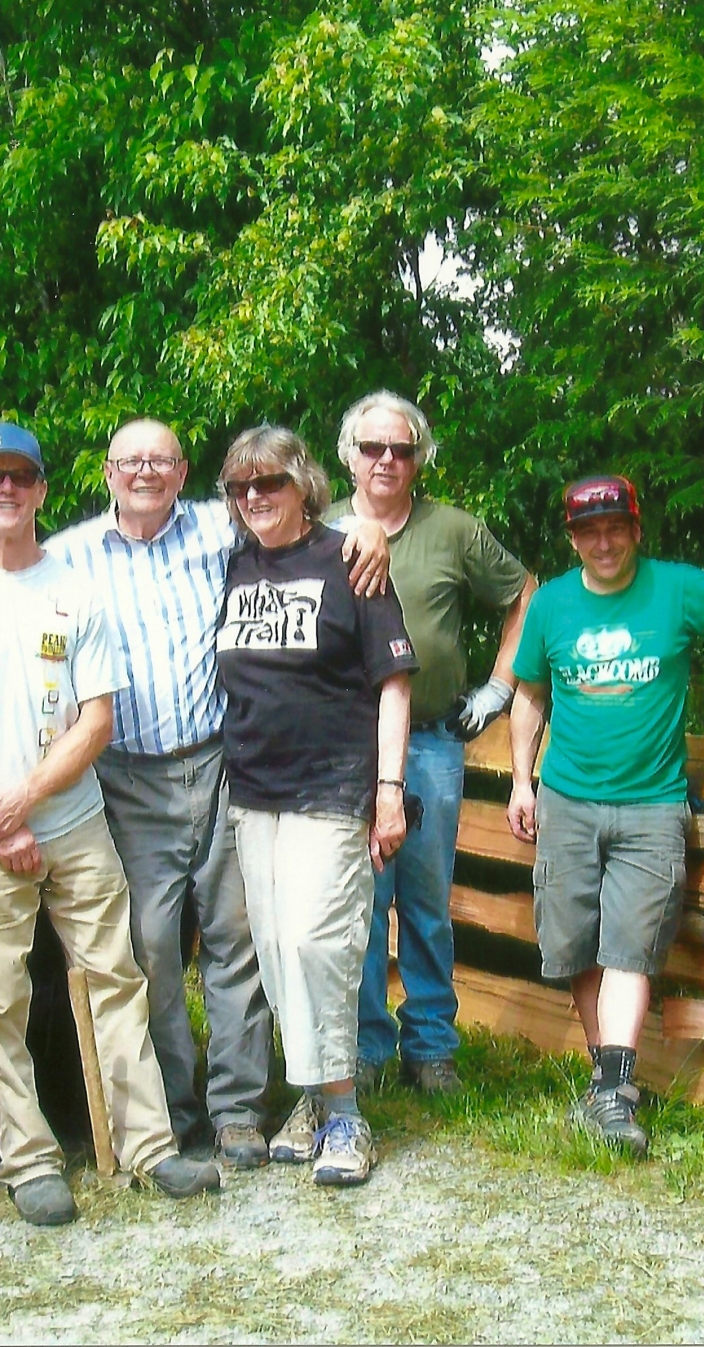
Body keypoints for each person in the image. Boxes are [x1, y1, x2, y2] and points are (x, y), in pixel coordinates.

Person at [0, 422, 220, 1226]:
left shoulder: (74, 589)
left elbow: (96, 718)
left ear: (41, 490)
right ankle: (30, 1160)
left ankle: (148, 1147)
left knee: (119, 975)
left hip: (75, 823)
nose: (6, 491)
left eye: (22, 478)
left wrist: (27, 799)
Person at [48, 418, 390, 1169]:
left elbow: (296, 511)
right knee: (153, 948)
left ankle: (238, 1108)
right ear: (106, 472)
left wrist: (365, 526)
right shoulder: (66, 556)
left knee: (241, 942)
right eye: (130, 461)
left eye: (161, 461)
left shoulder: (216, 529)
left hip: (219, 764)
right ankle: (173, 1105)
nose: (146, 472)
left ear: (182, 472)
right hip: (129, 776)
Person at [507, 474, 704, 1157]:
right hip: (567, 799)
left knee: (631, 946)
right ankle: (605, 1081)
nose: (604, 541)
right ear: (572, 538)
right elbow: (529, 694)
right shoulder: (552, 603)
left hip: (652, 802)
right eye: (589, 531)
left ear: (637, 528)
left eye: (616, 526)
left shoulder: (679, 589)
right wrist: (521, 781)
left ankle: (615, 1093)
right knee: (577, 944)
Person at [214, 425, 417, 1186]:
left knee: (317, 944)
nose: (255, 497)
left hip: (333, 787)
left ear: (304, 484)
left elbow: (394, 682)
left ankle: (346, 1115)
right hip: (253, 792)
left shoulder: (352, 560)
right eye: (241, 487)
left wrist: (389, 790)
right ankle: (309, 1097)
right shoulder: (232, 562)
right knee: (274, 951)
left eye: (270, 483)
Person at [327, 391, 535, 1095]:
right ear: (349, 455)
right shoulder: (318, 530)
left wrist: (500, 687)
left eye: (402, 449)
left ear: (420, 458)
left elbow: (524, 594)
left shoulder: (453, 530)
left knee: (423, 902)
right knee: (355, 902)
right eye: (373, 447)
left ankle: (431, 1044)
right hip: (346, 750)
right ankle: (363, 1045)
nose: (387, 460)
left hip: (433, 744)